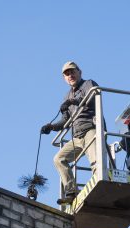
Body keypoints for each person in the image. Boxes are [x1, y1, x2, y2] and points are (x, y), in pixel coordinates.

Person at [41, 61, 99, 204]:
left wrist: (73, 101)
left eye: (72, 72)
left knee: (95, 160)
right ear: (64, 78)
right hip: (77, 136)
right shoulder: (67, 96)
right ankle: (72, 191)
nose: (70, 75)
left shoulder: (88, 84)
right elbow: (65, 122)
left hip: (91, 129)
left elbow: (91, 97)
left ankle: (99, 186)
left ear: (80, 72)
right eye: (67, 74)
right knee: (59, 159)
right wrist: (51, 127)